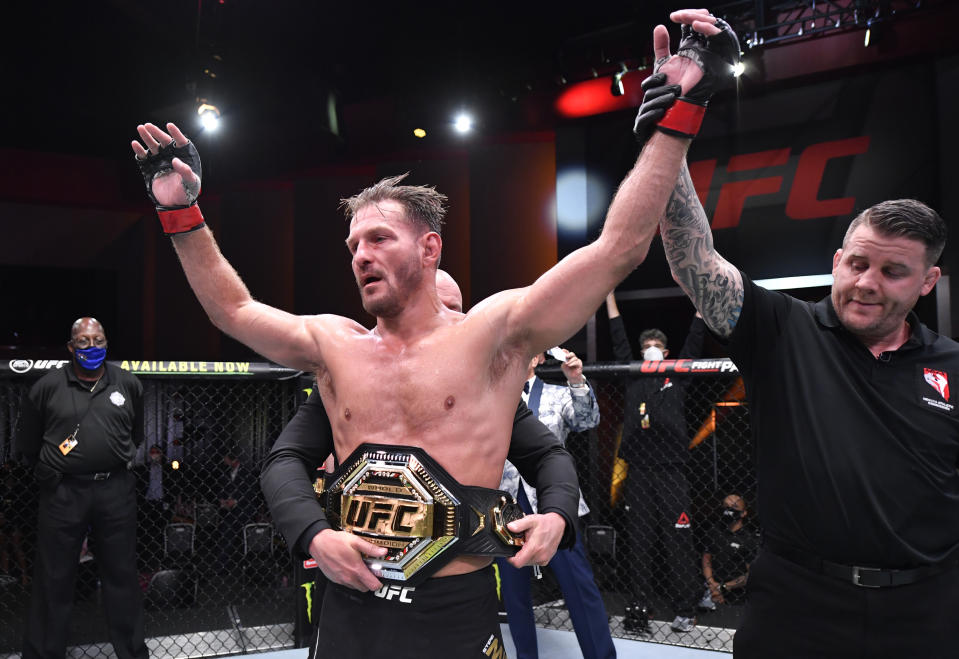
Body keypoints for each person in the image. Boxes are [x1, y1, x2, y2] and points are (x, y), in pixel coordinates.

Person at [129, 12, 732, 654]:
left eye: (379, 238)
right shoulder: (335, 346)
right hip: (352, 612)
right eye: (353, 244)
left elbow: (618, 250)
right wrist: (181, 213)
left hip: (454, 609)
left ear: (429, 250)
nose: (360, 254)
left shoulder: (494, 336)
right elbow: (234, 311)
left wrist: (680, 116)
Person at [632, 9, 959, 657]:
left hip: (927, 608)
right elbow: (692, 259)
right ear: (837, 260)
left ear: (927, 282)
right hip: (796, 607)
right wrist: (675, 124)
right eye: (857, 262)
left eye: (893, 272)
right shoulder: (782, 330)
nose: (867, 282)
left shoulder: (950, 364)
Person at [260, 270, 581, 651]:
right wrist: (315, 534)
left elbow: (549, 454)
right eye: (429, 309)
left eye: (453, 312)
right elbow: (284, 459)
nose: (441, 322)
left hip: (458, 602)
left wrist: (557, 514)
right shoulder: (349, 379)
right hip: (357, 598)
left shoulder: (486, 393)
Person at [15, 317, 148, 659]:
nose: (92, 347)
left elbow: (136, 436)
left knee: (122, 577)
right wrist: (53, 473)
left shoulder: (128, 384)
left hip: (115, 491)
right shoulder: (46, 387)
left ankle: (132, 653)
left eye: (99, 340)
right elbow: (28, 444)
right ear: (71, 347)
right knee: (53, 578)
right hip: (63, 493)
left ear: (107, 343)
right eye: (84, 341)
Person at [496, 348, 615, 659]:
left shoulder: (556, 393)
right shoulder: (491, 396)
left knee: (579, 588)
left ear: (537, 359)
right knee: (514, 594)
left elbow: (588, 421)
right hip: (506, 505)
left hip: (553, 505)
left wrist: (576, 381)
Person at [605, 293, 705, 633]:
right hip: (639, 471)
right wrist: (608, 296)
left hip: (672, 470)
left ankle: (686, 607)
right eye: (645, 344)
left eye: (655, 345)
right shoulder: (634, 375)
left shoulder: (676, 374)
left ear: (665, 353)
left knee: (678, 537)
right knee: (639, 541)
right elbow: (618, 336)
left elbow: (694, 341)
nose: (650, 348)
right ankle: (640, 606)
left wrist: (701, 306)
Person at [698, 493, 757, 611]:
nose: (729, 510)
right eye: (726, 506)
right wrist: (712, 584)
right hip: (710, 590)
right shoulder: (714, 531)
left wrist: (723, 587)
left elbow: (752, 574)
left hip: (737, 595)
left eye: (734, 507)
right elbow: (706, 558)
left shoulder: (750, 540)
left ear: (744, 513)